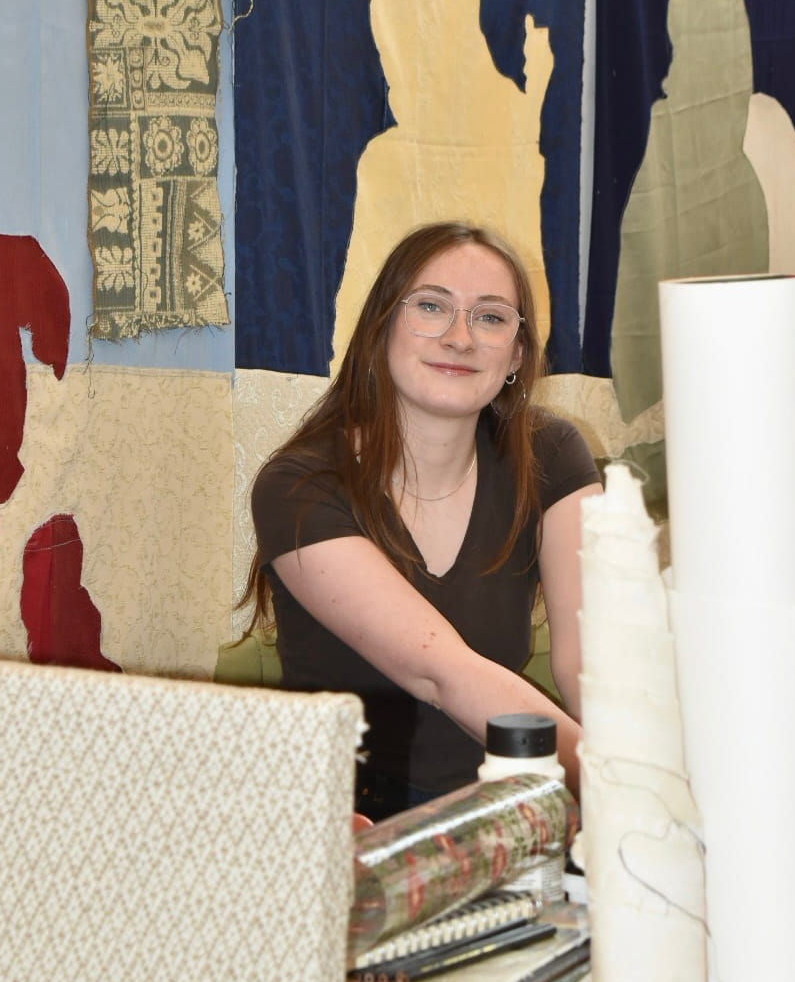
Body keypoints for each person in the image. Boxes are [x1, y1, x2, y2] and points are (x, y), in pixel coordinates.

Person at [246, 221, 602, 822]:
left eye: (490, 317)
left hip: (507, 799)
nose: (460, 338)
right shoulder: (300, 486)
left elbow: (586, 661)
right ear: (382, 327)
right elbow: (440, 674)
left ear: (517, 353)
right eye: (432, 307)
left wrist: (640, 778)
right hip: (348, 819)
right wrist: (617, 788)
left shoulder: (553, 454)